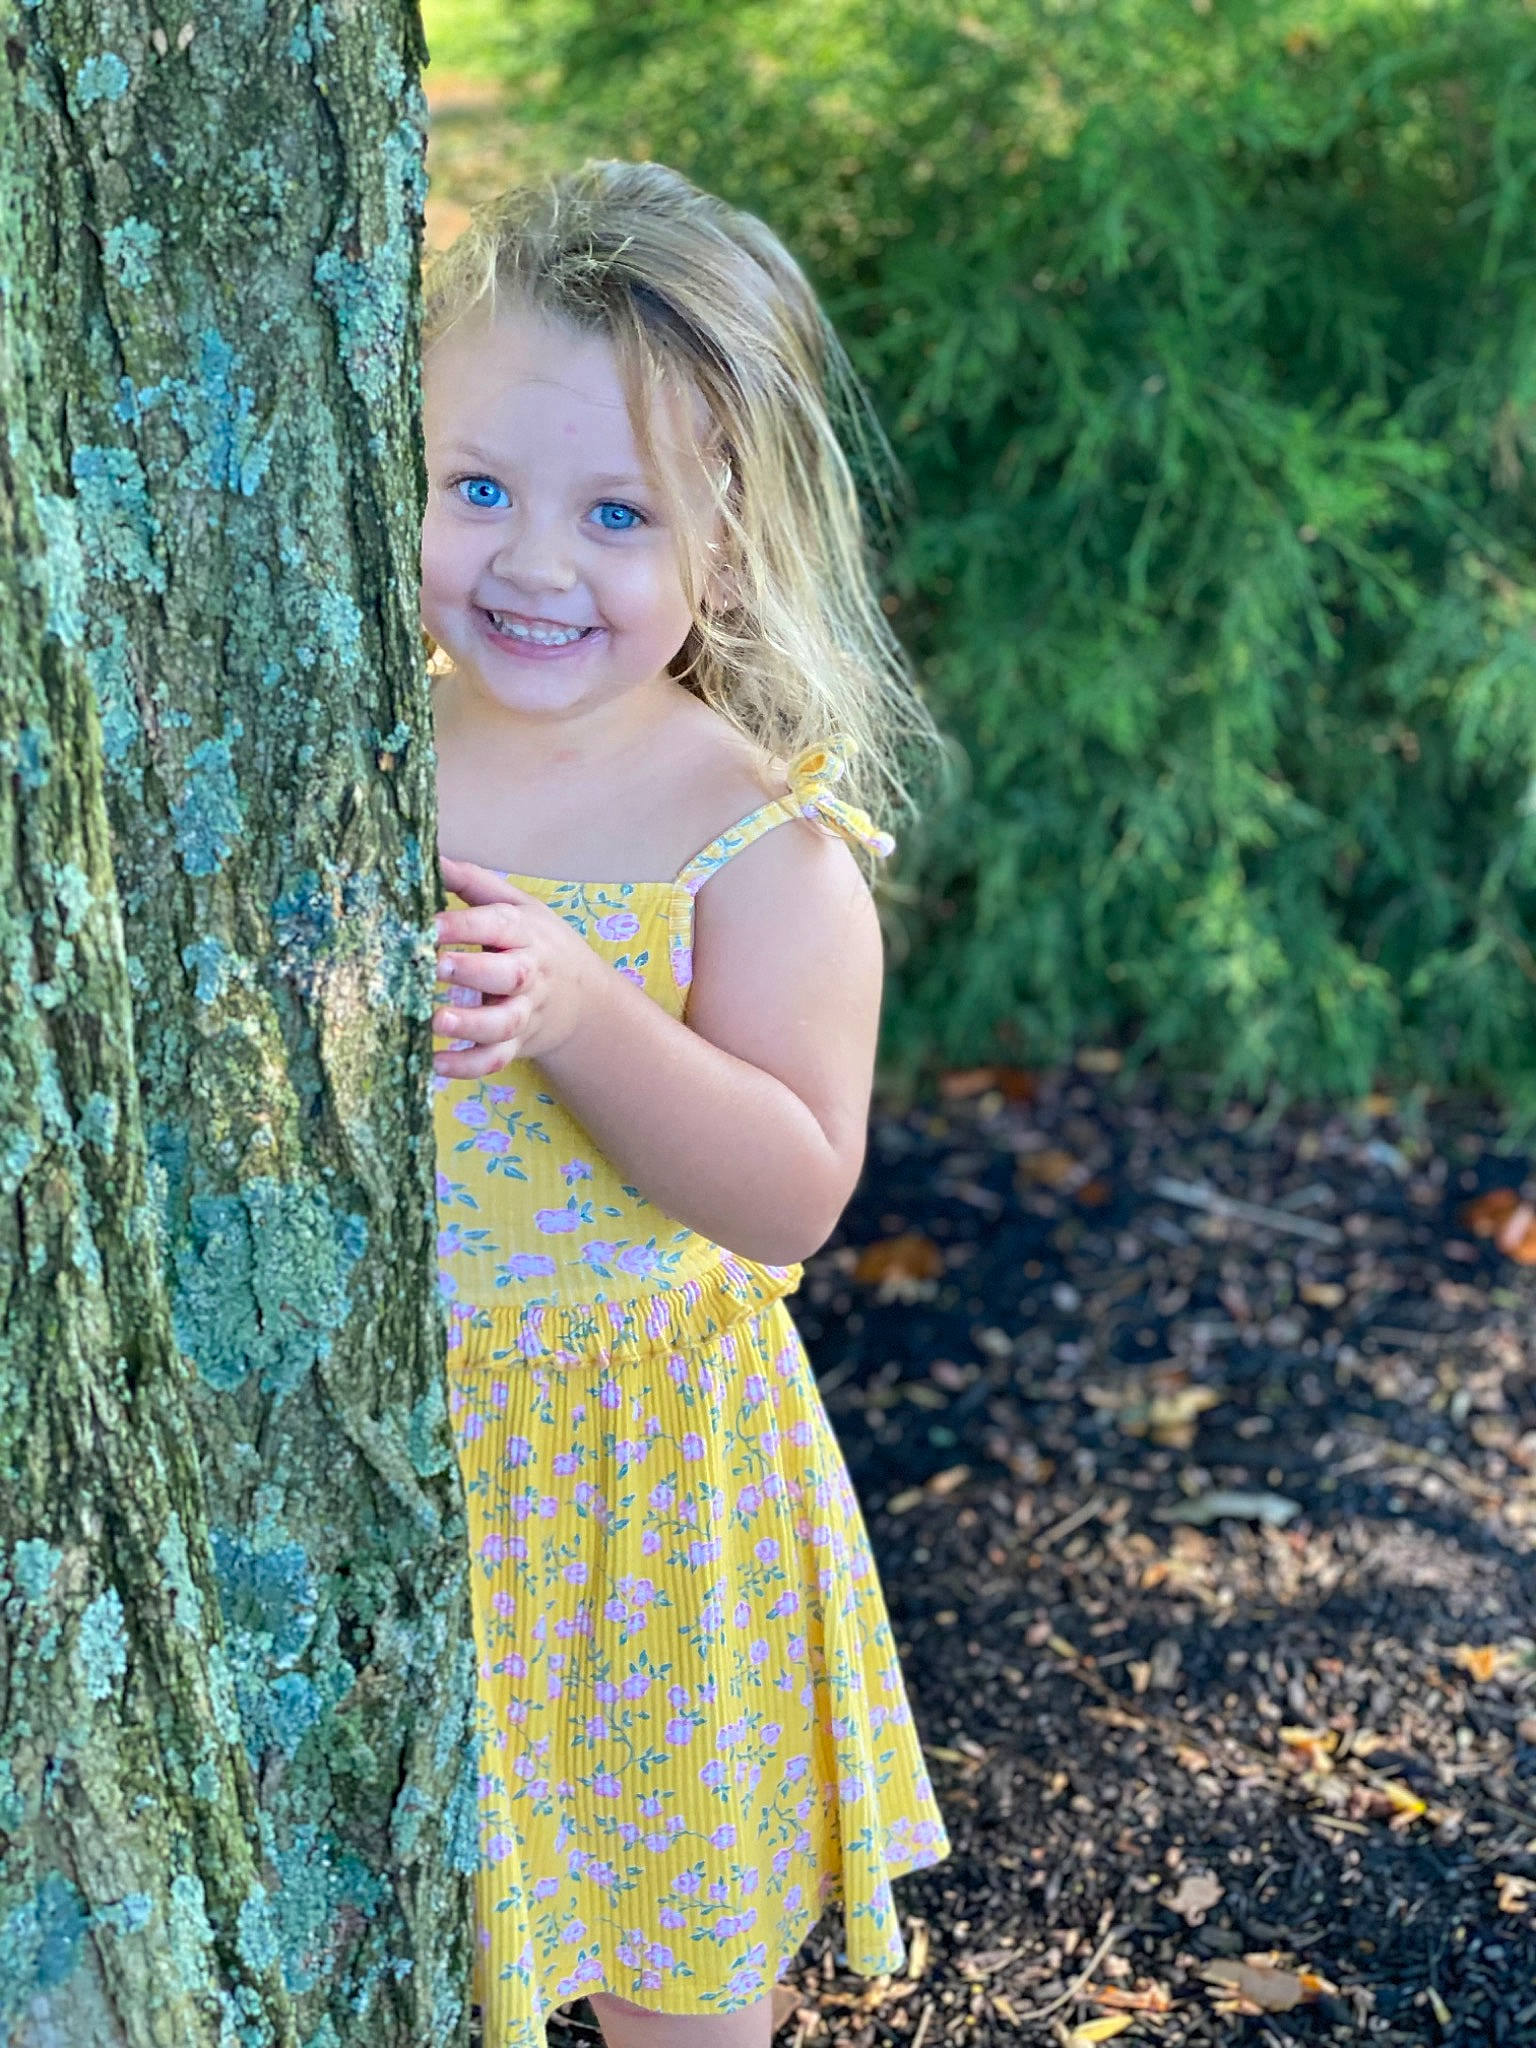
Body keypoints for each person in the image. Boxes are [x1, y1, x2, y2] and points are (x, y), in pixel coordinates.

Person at [423, 159, 950, 2048]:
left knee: (677, 1971)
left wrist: (583, 1012)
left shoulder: (756, 842)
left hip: (645, 1497)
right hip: (394, 1458)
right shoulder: (349, 739)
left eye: (618, 513)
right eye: (479, 487)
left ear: (731, 547)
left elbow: (794, 1192)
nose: (532, 564)